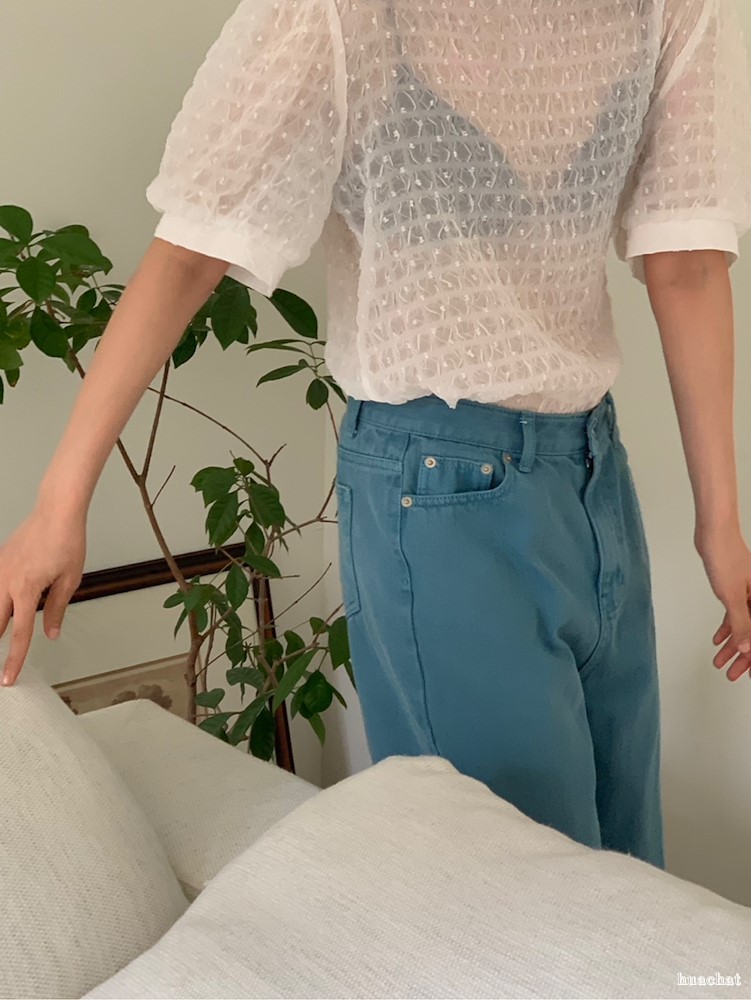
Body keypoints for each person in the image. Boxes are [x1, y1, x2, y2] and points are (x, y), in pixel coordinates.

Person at [2, 0, 751, 868]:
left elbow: (688, 263)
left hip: (590, 474)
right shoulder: (337, 12)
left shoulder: (670, 9)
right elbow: (190, 254)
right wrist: (60, 503)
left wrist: (720, 525)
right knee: (513, 884)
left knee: (626, 871)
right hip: (433, 491)